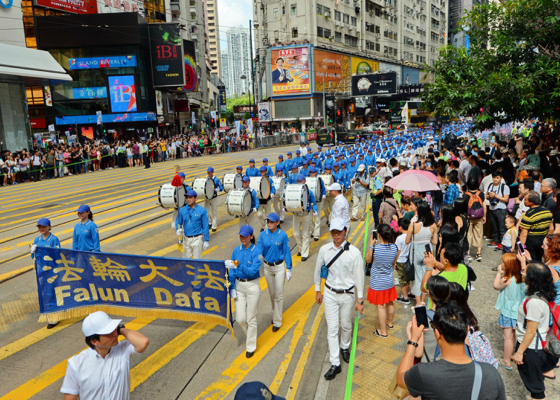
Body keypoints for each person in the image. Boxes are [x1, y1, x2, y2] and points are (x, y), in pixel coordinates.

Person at [397, 303, 507, 399]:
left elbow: (401, 379)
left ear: (437, 333)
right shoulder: (491, 373)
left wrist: (413, 340)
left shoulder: (423, 373)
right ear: (467, 330)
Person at [314, 218, 365, 380]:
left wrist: (360, 299)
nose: (336, 235)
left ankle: (345, 346)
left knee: (346, 325)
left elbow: (359, 277)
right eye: (333, 231)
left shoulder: (354, 253)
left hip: (348, 295)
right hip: (329, 293)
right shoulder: (324, 250)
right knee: (332, 328)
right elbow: (317, 270)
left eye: (339, 231)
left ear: (345, 231)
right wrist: (317, 290)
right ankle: (335, 363)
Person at [60, 311, 149, 400]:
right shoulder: (76, 364)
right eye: (108, 332)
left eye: (114, 328)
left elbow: (143, 342)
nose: (115, 334)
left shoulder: (123, 349)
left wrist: (120, 329)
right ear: (94, 341)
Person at [512, 258, 559, 400]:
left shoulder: (534, 303)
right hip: (536, 347)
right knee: (536, 383)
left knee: (537, 391)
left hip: (531, 350)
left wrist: (519, 352)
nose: (522, 273)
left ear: (532, 279)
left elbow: (531, 331)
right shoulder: (542, 294)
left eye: (525, 271)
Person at [226, 225, 262, 358]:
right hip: (239, 286)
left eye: (245, 236)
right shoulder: (236, 251)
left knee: (251, 317)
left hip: (252, 286)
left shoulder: (257, 252)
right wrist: (232, 287)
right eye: (241, 235)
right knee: (240, 318)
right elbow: (232, 270)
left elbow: (253, 271)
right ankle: (251, 337)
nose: (243, 238)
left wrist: (239, 265)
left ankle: (251, 346)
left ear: (251, 236)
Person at [256, 213, 292, 332]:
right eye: (268, 221)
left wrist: (289, 268)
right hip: (267, 267)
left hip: (279, 267)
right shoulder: (262, 235)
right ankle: (276, 313)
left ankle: (277, 320)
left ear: (277, 223)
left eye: (272, 222)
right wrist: (258, 257)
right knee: (272, 295)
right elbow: (259, 249)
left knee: (279, 294)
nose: (269, 224)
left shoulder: (283, 235)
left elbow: (286, 252)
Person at [493, 253, 526, 371]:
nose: (501, 264)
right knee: (518, 335)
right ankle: (518, 355)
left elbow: (496, 286)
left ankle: (506, 361)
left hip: (508, 312)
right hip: (520, 313)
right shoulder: (522, 279)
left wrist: (498, 273)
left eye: (503, 263)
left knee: (507, 337)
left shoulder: (506, 279)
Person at [365, 224, 398, 338]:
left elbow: (368, 260)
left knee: (381, 306)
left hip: (377, 283)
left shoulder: (375, 248)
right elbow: (394, 264)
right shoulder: (394, 248)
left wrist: (370, 245)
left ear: (378, 235)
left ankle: (383, 331)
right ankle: (390, 323)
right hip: (389, 281)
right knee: (390, 302)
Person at [31, 217, 62, 329]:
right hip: (40, 272)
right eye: (40, 227)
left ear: (49, 226)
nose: (42, 229)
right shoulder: (37, 240)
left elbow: (58, 255)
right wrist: (32, 251)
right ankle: (50, 315)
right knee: (45, 294)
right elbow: (33, 258)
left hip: (51, 272)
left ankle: (55, 317)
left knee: (51, 293)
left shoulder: (53, 239)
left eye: (44, 226)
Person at [406, 201, 438, 306]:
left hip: (415, 251)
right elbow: (435, 242)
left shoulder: (413, 225)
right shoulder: (433, 225)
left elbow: (407, 241)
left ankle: (418, 303)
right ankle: (424, 301)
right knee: (426, 274)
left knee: (416, 277)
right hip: (427, 250)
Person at [519, 191, 553, 261]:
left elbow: (524, 234)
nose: (524, 201)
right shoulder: (547, 211)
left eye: (525, 199)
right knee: (539, 258)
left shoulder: (528, 215)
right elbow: (551, 229)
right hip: (543, 239)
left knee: (530, 260)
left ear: (532, 202)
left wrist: (521, 248)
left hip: (531, 241)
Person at [176, 190, 210, 259]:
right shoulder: (182, 210)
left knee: (197, 261)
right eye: (187, 197)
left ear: (195, 198)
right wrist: (178, 229)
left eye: (190, 197)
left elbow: (205, 226)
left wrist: (206, 240)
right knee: (185, 261)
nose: (188, 199)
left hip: (197, 239)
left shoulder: (202, 211)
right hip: (186, 239)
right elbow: (178, 222)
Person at [292, 175, 317, 262]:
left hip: (306, 215)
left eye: (301, 181)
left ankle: (305, 253)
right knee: (295, 234)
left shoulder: (309, 192)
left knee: (305, 234)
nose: (299, 182)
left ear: (305, 181)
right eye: (298, 180)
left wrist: (315, 210)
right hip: (296, 215)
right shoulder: (294, 191)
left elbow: (314, 202)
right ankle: (300, 249)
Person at [464, 176, 486, 262]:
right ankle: (478, 253)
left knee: (468, 235)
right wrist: (484, 216)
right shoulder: (481, 194)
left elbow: (464, 206)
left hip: (469, 217)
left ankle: (468, 254)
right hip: (479, 216)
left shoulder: (465, 194)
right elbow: (484, 206)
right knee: (479, 234)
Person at [487, 171, 510, 249]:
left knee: (501, 228)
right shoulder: (490, 185)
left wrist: (495, 196)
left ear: (501, 178)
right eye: (494, 177)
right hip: (492, 208)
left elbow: (506, 199)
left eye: (497, 178)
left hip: (501, 209)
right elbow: (486, 196)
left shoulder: (505, 187)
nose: (495, 179)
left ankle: (502, 243)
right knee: (495, 227)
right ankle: (496, 241)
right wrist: (489, 196)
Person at [395, 218, 412, 305]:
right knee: (409, 278)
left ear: (401, 227)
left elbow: (398, 251)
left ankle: (405, 298)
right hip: (409, 260)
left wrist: (394, 262)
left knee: (402, 280)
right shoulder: (411, 236)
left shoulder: (399, 238)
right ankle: (412, 293)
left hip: (400, 260)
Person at [256, 166, 276, 232]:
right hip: (260, 200)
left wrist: (272, 194)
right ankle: (264, 225)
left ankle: (267, 229)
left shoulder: (269, 180)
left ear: (266, 171)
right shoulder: (259, 179)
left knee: (268, 215)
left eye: (264, 171)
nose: (262, 172)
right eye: (261, 171)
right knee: (259, 214)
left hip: (267, 200)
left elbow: (273, 188)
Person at [309, 166, 326, 240]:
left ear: (316, 173)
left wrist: (323, 194)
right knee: (309, 218)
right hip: (310, 202)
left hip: (317, 201)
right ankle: (312, 231)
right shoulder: (307, 180)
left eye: (312, 172)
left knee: (317, 217)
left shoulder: (319, 180)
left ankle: (316, 234)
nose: (311, 174)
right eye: (310, 172)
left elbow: (323, 188)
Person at [204, 167, 223, 232]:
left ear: (213, 172)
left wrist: (216, 189)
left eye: (210, 172)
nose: (208, 173)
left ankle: (214, 226)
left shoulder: (216, 179)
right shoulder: (206, 179)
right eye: (208, 172)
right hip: (207, 198)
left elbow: (221, 187)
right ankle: (210, 222)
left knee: (214, 213)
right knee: (205, 212)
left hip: (214, 198)